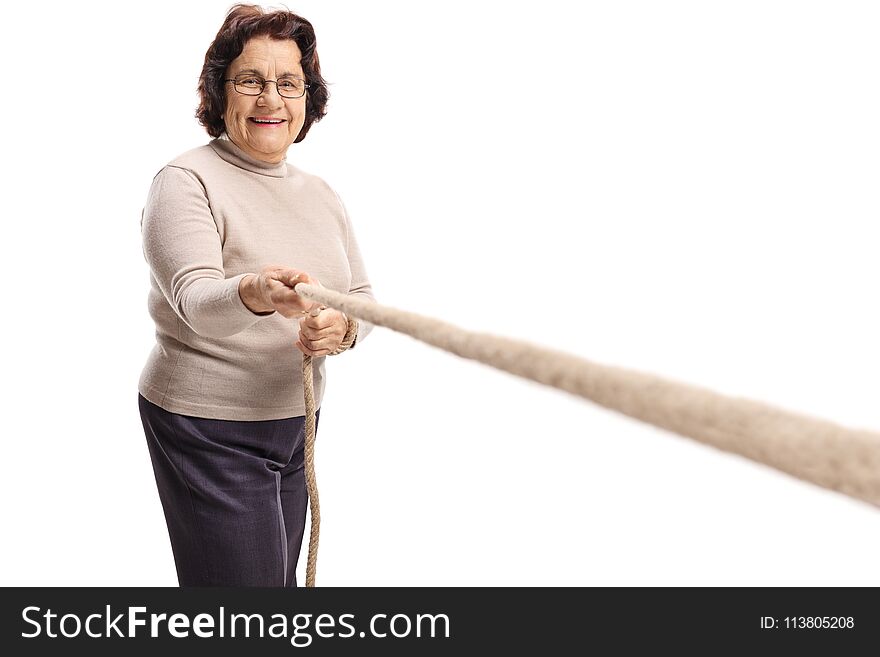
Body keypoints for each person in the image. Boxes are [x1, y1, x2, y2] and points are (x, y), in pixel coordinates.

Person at [137, 4, 375, 587]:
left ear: (307, 100)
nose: (271, 98)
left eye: (288, 83)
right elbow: (196, 302)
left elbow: (361, 296)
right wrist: (254, 291)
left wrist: (341, 331)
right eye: (250, 81)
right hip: (208, 425)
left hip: (297, 418)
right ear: (220, 92)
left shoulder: (322, 194)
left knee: (273, 589)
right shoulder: (186, 181)